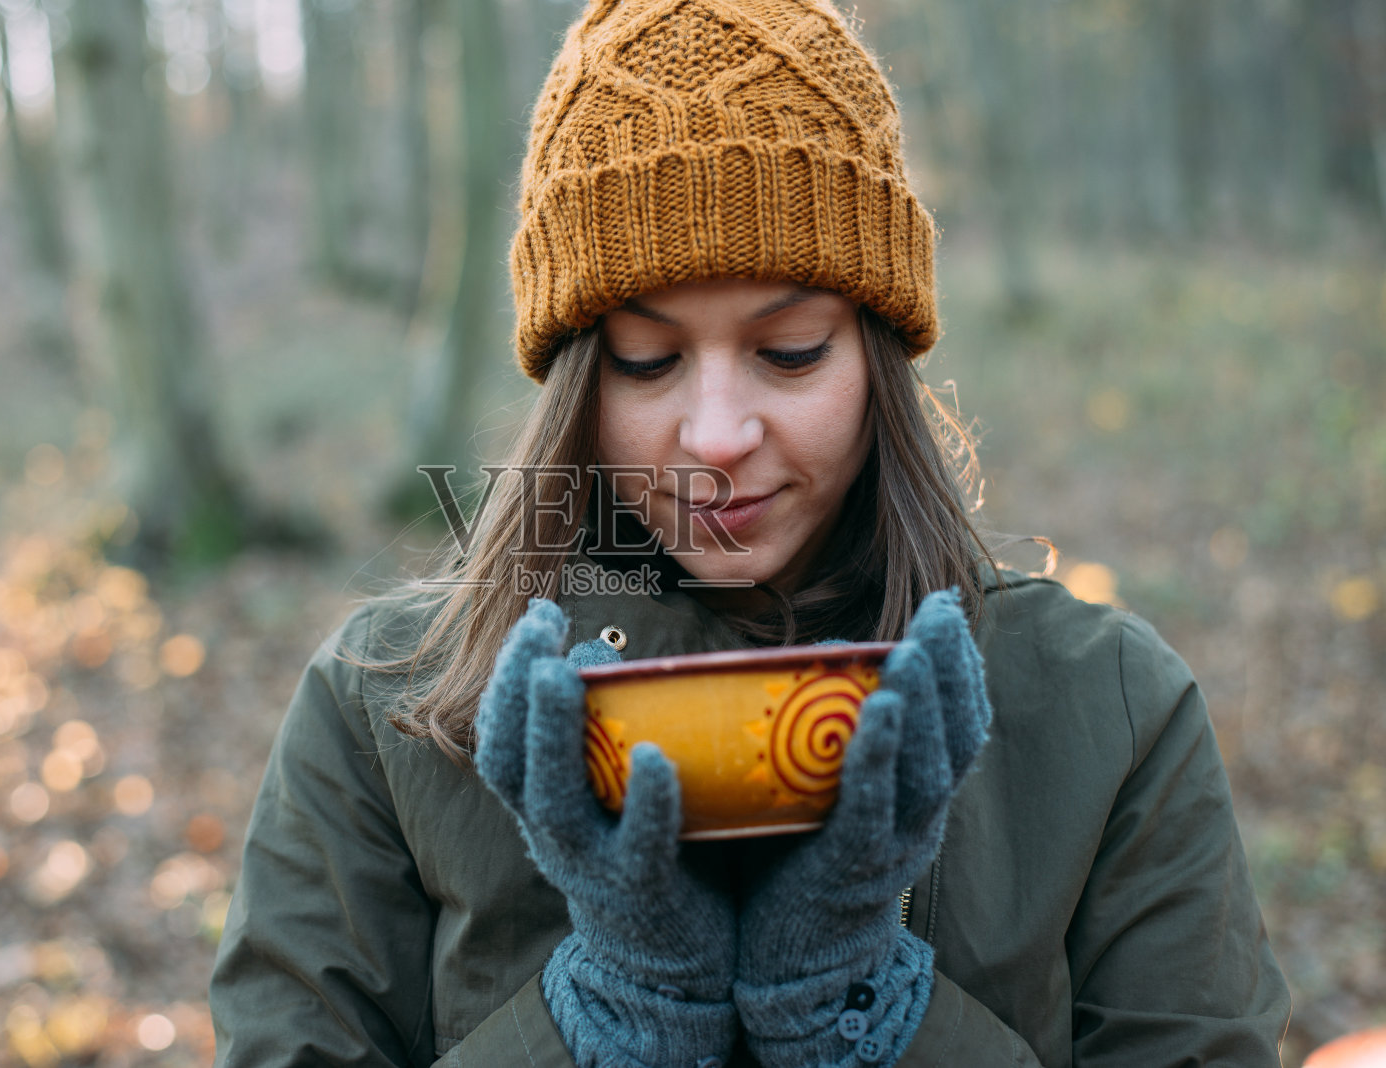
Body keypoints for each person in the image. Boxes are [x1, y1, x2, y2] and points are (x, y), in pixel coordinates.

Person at [208, 0, 1291, 1064]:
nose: (717, 437)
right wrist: (600, 1021)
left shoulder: (1108, 709)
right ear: (578, 380)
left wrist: (871, 1011)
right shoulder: (387, 704)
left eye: (789, 351)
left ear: (878, 356)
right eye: (646, 360)